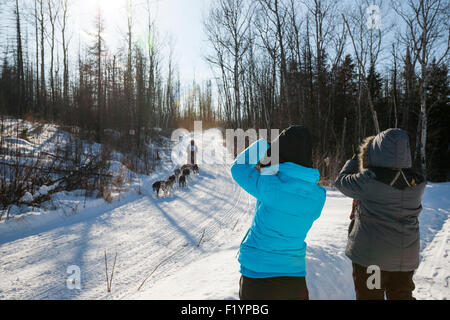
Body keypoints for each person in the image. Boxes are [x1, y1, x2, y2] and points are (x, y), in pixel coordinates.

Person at [230, 125, 326, 300]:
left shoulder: (269, 185)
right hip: (294, 278)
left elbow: (238, 168)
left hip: (258, 277)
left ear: (279, 151)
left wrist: (264, 147)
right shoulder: (318, 197)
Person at [334, 128, 426, 300]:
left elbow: (341, 181)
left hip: (373, 261)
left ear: (377, 150)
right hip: (404, 260)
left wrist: (355, 160)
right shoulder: (417, 182)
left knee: (371, 296)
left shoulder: (368, 180)